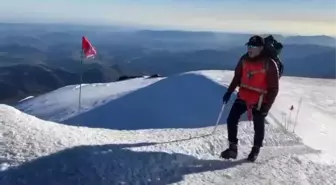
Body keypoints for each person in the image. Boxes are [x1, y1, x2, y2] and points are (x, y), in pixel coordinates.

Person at [220, 35, 280, 162]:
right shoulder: (244, 59)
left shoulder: (270, 64)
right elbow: (237, 77)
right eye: (249, 46)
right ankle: (233, 148)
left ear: (261, 48)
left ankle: (255, 149)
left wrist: (266, 108)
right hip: (244, 95)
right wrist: (229, 92)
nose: (250, 49)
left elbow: (274, 88)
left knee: (258, 124)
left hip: (260, 100)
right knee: (231, 119)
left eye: (253, 46)